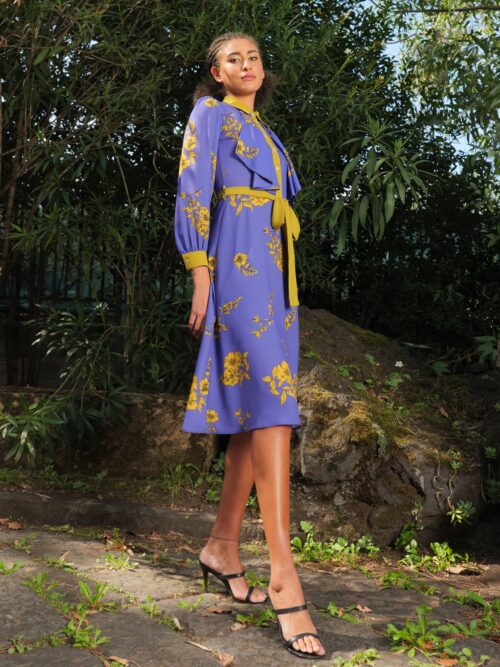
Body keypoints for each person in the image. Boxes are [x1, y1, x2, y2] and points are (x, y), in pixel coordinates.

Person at [174, 31, 326, 660]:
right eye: (233, 59)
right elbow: (192, 190)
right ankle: (285, 573)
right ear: (216, 72)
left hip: (275, 271)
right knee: (275, 409)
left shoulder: (264, 129)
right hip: (235, 265)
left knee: (254, 415)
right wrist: (199, 275)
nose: (246, 65)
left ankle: (221, 546)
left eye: (254, 57)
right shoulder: (209, 115)